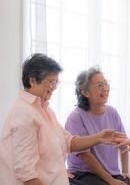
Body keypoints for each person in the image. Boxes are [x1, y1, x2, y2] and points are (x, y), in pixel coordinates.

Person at [0, 53, 122, 185]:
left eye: (56, 82)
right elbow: (26, 174)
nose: (54, 87)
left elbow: (69, 142)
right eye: (50, 82)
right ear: (32, 81)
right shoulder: (23, 113)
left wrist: (98, 138)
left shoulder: (45, 110)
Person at [65, 67, 130, 185]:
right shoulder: (76, 117)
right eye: (99, 85)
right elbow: (86, 156)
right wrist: (111, 181)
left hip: (111, 173)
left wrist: (125, 172)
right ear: (85, 92)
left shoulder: (112, 112)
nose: (105, 88)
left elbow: (123, 144)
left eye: (106, 83)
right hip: (84, 173)